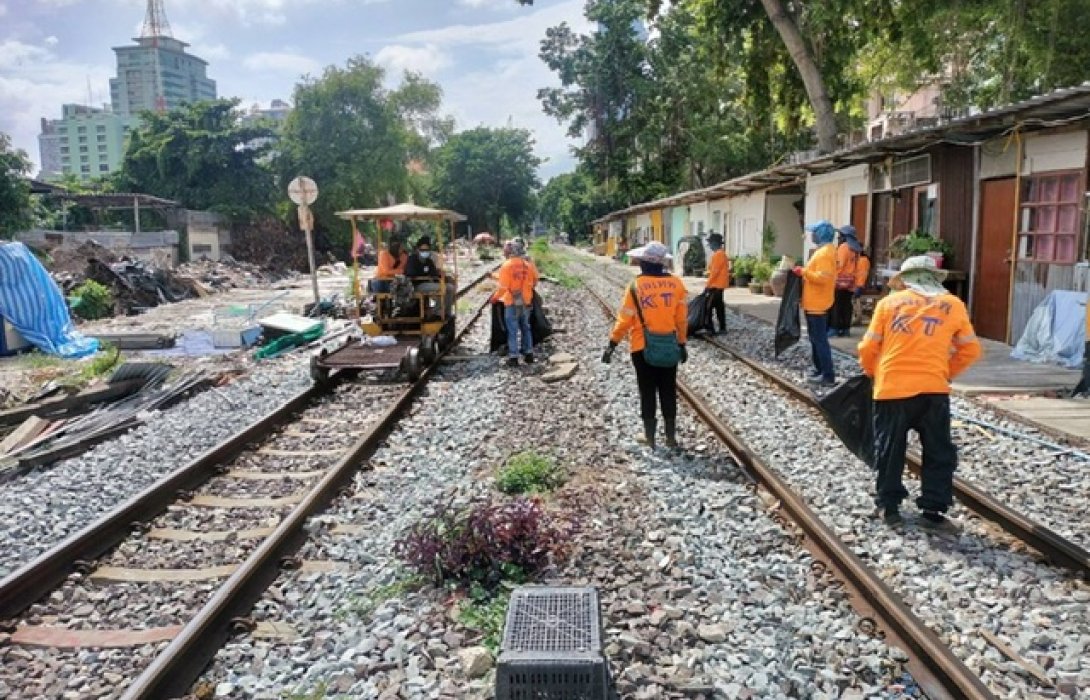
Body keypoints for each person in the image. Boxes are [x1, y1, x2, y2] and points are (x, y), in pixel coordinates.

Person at [858, 256, 982, 532]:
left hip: (891, 389)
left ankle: (889, 509)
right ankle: (932, 512)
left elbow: (867, 348)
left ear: (904, 280)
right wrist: (946, 372)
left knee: (890, 450)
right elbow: (971, 350)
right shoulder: (953, 305)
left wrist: (874, 373)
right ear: (935, 278)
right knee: (939, 451)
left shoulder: (888, 304)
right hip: (934, 391)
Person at [601, 241, 688, 448]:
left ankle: (649, 437)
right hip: (669, 346)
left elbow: (625, 320)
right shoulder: (677, 285)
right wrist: (682, 343)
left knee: (647, 390)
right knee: (668, 389)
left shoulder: (635, 286)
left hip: (641, 347)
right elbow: (682, 320)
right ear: (661, 264)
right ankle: (670, 437)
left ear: (644, 264)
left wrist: (612, 343)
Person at [793, 220, 837, 386]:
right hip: (815, 302)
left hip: (818, 303)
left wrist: (803, 272)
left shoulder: (825, 253)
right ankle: (819, 369)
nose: (811, 235)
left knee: (819, 340)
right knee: (815, 339)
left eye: (814, 232)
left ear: (821, 234)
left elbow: (823, 278)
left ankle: (827, 375)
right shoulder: (825, 251)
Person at [495, 239, 536, 366]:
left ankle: (514, 357)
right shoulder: (527, 265)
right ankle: (528, 354)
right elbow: (535, 280)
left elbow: (503, 287)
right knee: (525, 327)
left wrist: (495, 298)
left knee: (512, 329)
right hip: (525, 302)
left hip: (512, 302)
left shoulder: (506, 266)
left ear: (511, 252)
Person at [829, 225, 865, 337]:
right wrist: (859, 284)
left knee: (836, 305)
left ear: (845, 236)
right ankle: (845, 329)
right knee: (846, 306)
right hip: (850, 283)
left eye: (840, 235)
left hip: (840, 282)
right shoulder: (856, 249)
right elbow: (859, 268)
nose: (839, 237)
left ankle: (835, 328)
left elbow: (839, 265)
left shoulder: (844, 247)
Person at [704, 232, 729, 334]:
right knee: (719, 307)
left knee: (709, 307)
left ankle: (711, 328)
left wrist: (707, 285)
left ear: (715, 243)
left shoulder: (718, 255)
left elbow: (715, 272)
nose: (709, 245)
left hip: (716, 285)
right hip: (719, 285)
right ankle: (722, 328)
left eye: (710, 243)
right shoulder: (721, 254)